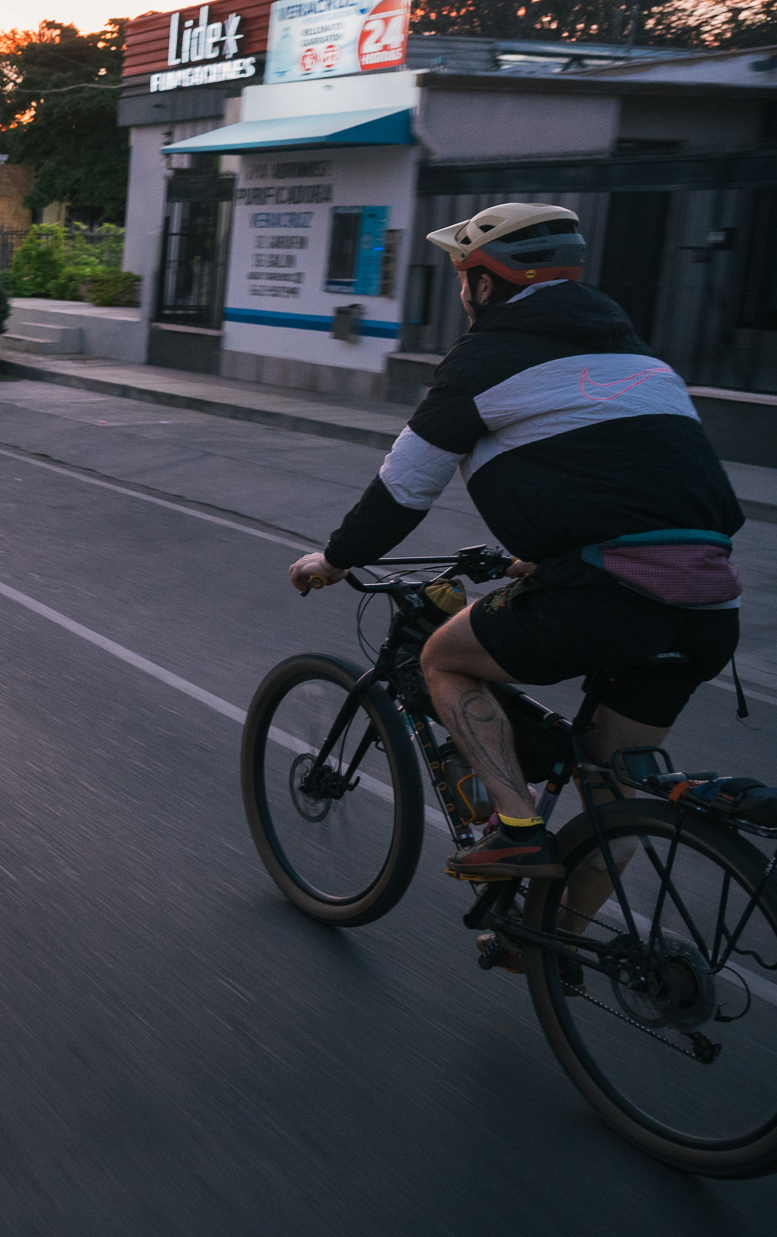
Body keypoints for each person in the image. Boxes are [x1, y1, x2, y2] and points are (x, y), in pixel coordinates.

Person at [288, 202, 744, 890]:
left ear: (487, 281)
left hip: (604, 598)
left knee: (442, 657)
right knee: (611, 787)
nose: (463, 294)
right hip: (709, 608)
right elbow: (660, 497)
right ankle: (555, 958)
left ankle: (518, 830)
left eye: (463, 276)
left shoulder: (483, 360)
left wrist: (337, 558)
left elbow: (404, 489)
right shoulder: (637, 357)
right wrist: (549, 553)